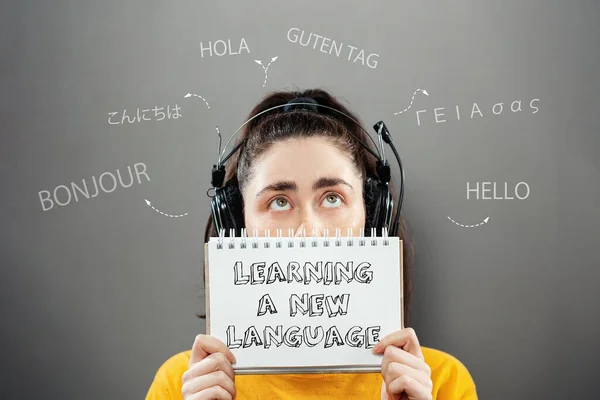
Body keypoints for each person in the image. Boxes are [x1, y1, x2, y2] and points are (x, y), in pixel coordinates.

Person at [145, 88, 478, 399]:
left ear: (373, 214)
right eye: (278, 202)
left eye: (332, 198)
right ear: (236, 222)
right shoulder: (181, 384)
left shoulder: (441, 382)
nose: (309, 230)